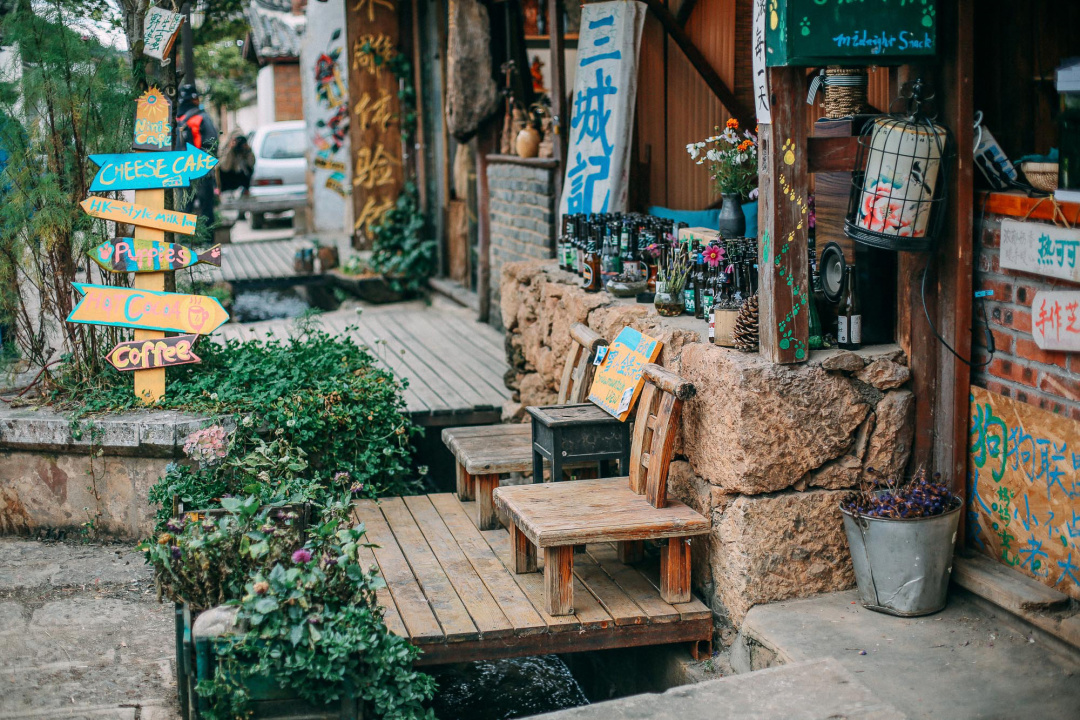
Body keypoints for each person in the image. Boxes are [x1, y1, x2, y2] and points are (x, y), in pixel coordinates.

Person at [176, 84, 219, 226]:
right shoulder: (201, 117)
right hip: (200, 169)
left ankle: (184, 242)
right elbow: (212, 143)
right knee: (206, 208)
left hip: (180, 171)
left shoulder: (176, 119)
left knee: (185, 207)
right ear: (195, 99)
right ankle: (207, 242)